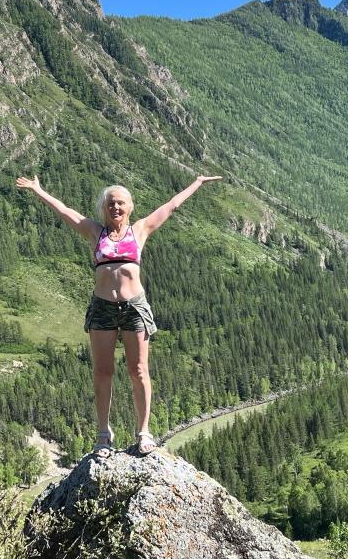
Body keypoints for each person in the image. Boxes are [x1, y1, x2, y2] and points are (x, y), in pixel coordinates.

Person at [15, 174, 222, 457]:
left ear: (130, 207)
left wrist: (197, 182)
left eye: (121, 203)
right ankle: (103, 434)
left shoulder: (140, 230)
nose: (115, 207)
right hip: (103, 307)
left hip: (134, 307)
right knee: (102, 372)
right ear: (104, 208)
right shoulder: (94, 232)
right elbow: (64, 211)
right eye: (111, 203)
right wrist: (38, 190)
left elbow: (171, 205)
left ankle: (144, 432)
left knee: (139, 371)